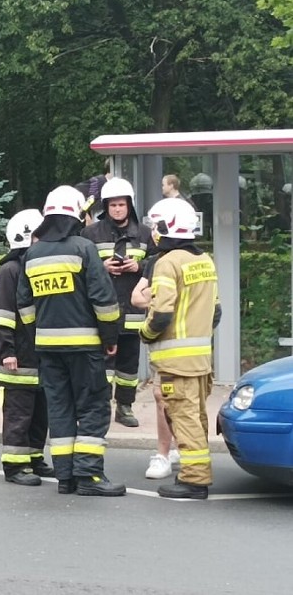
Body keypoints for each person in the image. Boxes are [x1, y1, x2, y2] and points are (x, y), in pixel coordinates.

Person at [17, 185, 126, 497]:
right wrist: (110, 337)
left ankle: (65, 477)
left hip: (47, 349)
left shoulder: (32, 254)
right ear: (76, 214)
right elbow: (103, 301)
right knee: (92, 407)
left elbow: (24, 306)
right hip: (84, 347)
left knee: (60, 408)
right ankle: (89, 475)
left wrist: (38, 334)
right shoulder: (83, 248)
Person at [140, 198, 221, 499]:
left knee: (184, 418)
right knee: (196, 417)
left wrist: (145, 333)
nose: (153, 232)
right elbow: (216, 313)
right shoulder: (205, 260)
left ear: (166, 228)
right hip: (201, 359)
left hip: (176, 363)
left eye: (156, 226)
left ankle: (194, 480)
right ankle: (197, 472)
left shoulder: (167, 262)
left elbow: (161, 314)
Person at [80, 177, 157, 428]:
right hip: (102, 313)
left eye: (121, 205)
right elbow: (80, 266)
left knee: (128, 367)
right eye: (112, 205)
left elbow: (160, 264)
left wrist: (140, 266)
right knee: (102, 365)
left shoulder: (144, 234)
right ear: (106, 206)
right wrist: (101, 267)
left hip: (133, 312)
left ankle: (125, 408)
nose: (117, 209)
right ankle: (99, 407)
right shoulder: (91, 233)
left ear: (129, 205)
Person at [0, 208, 53, 486]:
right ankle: (14, 466)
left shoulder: (33, 268)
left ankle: (34, 458)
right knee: (19, 413)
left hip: (37, 357)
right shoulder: (10, 270)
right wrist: (8, 352)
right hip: (17, 359)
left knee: (40, 412)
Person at [130, 257, 180, 479]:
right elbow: (136, 297)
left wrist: (157, 298)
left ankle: (183, 449)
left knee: (189, 399)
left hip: (185, 345)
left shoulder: (195, 260)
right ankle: (164, 454)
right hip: (164, 348)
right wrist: (159, 299)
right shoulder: (155, 262)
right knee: (162, 398)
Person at [74, 159, 113, 224]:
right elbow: (77, 190)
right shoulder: (98, 181)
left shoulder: (116, 184)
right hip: (96, 224)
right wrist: (86, 215)